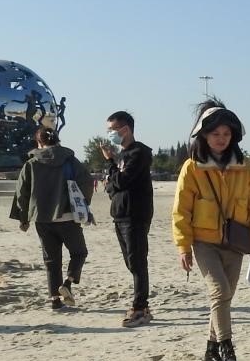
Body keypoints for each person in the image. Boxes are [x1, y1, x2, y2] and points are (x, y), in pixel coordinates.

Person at [173, 101, 250, 361]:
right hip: (204, 243)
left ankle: (210, 351)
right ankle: (227, 349)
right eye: (215, 134)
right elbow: (181, 210)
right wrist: (183, 246)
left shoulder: (245, 167)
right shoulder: (192, 167)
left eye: (226, 134)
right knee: (220, 291)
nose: (221, 139)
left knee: (223, 298)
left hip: (235, 242)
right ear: (204, 135)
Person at [9, 127, 92, 311]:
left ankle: (55, 300)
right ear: (57, 140)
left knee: (51, 260)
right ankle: (68, 283)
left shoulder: (31, 164)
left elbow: (22, 193)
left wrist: (24, 218)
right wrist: (84, 204)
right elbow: (86, 181)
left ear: (39, 142)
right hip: (68, 217)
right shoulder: (70, 160)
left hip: (42, 219)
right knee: (79, 252)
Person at [101, 110, 154, 327]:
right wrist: (113, 174)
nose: (110, 134)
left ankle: (140, 307)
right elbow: (111, 187)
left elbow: (122, 181)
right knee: (131, 262)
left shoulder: (139, 152)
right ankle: (142, 304)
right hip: (120, 214)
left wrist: (110, 163)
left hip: (135, 215)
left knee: (137, 261)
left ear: (125, 129)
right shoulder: (122, 155)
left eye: (112, 130)